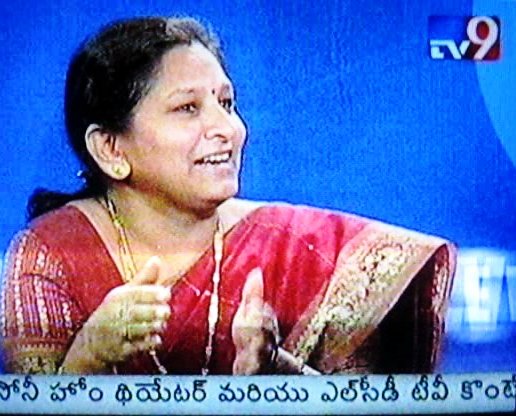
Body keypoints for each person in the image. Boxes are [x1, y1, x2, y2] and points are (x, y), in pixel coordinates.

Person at [0, 16, 456, 375]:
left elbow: (373, 407)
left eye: (227, 103)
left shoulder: (300, 245)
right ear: (111, 149)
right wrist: (90, 354)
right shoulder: (52, 255)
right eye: (187, 108)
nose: (228, 129)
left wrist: (276, 370)